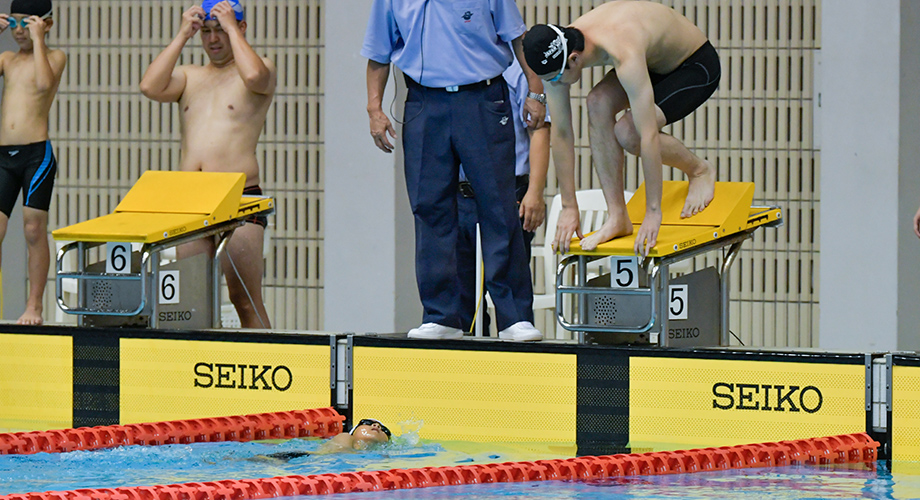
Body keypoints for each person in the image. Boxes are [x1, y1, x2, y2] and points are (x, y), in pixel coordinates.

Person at [362, 0, 547, 342]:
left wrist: (535, 90)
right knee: (429, 207)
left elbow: (518, 38)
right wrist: (374, 107)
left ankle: (513, 317)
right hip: (422, 101)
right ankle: (441, 313)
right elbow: (378, 51)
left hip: (483, 98)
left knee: (497, 204)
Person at [523, 1, 720, 257]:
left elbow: (647, 134)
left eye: (556, 79)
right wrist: (569, 206)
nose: (555, 85)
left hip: (694, 64)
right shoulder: (558, 49)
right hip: (653, 62)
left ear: (574, 59)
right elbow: (561, 133)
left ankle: (699, 170)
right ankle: (618, 218)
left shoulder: (621, 46)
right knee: (597, 102)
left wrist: (653, 212)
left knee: (630, 133)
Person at [139, 0, 276, 328]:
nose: (213, 39)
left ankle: (263, 364)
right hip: (193, 199)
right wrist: (183, 34)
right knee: (191, 302)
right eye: (207, 32)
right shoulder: (190, 76)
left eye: (222, 31)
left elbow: (256, 74)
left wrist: (231, 24)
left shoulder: (259, 71)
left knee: (243, 298)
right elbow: (149, 86)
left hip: (240, 198)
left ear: (240, 29)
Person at [457, 57, 550, 336]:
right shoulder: (454, 68)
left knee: (510, 281)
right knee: (461, 291)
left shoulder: (519, 71)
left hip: (508, 191)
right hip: (461, 194)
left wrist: (535, 191)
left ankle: (518, 363)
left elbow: (540, 130)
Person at [0, 0, 66, 325]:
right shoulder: (6, 59)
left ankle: (34, 306)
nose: (19, 30)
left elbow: (43, 85)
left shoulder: (54, 56)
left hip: (36, 155)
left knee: (32, 229)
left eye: (26, 23)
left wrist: (40, 40)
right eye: (13, 23)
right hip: (3, 156)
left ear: (46, 24)